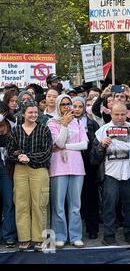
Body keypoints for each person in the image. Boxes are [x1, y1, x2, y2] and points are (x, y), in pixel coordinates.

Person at [91, 102, 130, 246]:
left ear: (127, 114)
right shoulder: (102, 130)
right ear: (111, 114)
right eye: (116, 114)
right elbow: (93, 159)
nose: (119, 117)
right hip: (110, 174)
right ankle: (109, 235)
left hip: (129, 173)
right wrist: (101, 146)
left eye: (122, 114)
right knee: (109, 206)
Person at [7, 101, 53, 251]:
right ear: (23, 114)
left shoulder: (44, 130)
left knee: (39, 204)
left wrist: (29, 157)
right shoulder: (15, 131)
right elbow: (10, 151)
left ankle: (39, 239)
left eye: (35, 112)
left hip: (39, 170)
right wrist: (20, 157)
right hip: (20, 170)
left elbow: (47, 153)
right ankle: (24, 239)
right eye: (30, 112)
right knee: (21, 204)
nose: (33, 115)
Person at [47, 94, 88, 248]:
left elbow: (84, 144)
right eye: (63, 104)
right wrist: (64, 124)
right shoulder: (52, 123)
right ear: (58, 106)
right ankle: (60, 236)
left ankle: (75, 236)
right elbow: (58, 142)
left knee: (75, 204)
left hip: (77, 167)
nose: (66, 107)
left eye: (68, 104)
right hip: (58, 167)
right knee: (58, 205)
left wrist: (65, 147)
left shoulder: (78, 122)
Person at [72, 97, 100, 240]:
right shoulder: (65, 122)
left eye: (79, 106)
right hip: (70, 162)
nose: (77, 109)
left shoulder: (91, 123)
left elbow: (97, 143)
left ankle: (92, 228)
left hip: (88, 163)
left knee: (90, 196)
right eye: (74, 106)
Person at [0, 102, 17, 248]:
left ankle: (9, 235)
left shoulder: (13, 126)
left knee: (9, 202)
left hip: (7, 168)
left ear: (5, 113)